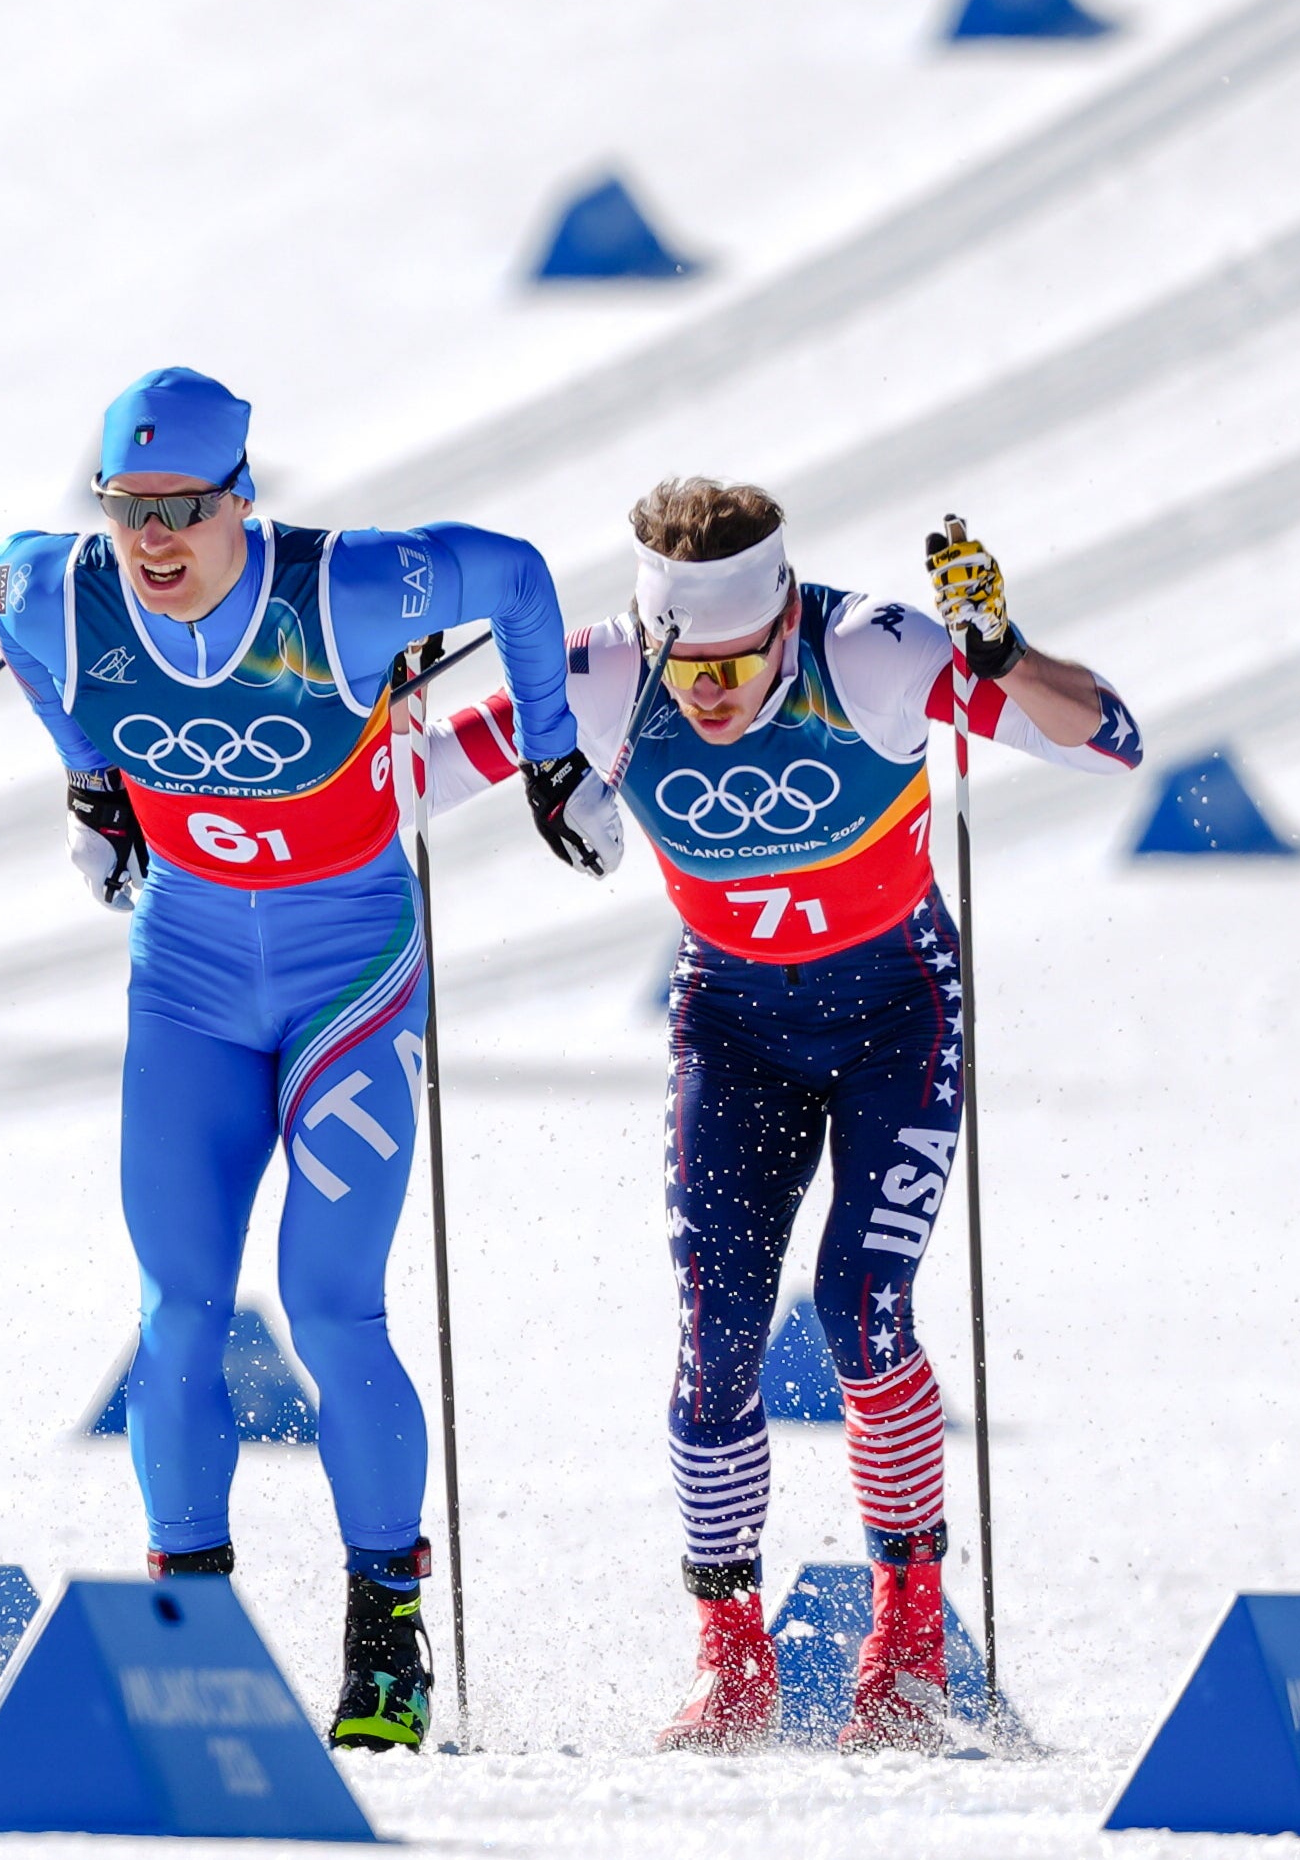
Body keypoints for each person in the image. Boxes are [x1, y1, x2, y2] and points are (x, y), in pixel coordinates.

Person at [425, 480, 1140, 1752]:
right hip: (735, 1025)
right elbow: (400, 783)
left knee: (862, 1312)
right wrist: (380, 697)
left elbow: (1111, 741)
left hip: (894, 1016)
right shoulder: (599, 673)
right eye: (683, 665)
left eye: (737, 662)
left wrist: (1004, 654)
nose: (708, 692)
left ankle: (909, 1639)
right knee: (715, 1339)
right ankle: (730, 1652)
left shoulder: (869, 652)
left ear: (784, 617)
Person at [0, 367, 595, 1752]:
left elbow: (514, 576)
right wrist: (88, 769)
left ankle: (384, 1633)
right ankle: (190, 1628)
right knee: (177, 1308)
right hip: (187, 986)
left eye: (185, 509)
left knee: (326, 1307)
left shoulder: (345, 593)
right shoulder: (56, 598)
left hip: (348, 987)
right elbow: (2, 594)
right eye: (128, 508)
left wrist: (553, 762)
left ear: (241, 500)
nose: (153, 538)